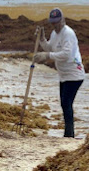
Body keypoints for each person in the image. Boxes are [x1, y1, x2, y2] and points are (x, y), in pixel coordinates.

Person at [34, 8, 85, 138]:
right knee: (64, 103)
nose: (55, 25)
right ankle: (68, 133)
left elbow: (66, 54)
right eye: (53, 23)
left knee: (66, 103)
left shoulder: (68, 33)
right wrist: (42, 40)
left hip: (74, 73)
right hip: (63, 75)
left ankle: (69, 135)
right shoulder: (54, 33)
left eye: (57, 22)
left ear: (62, 20)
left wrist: (46, 56)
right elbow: (50, 48)